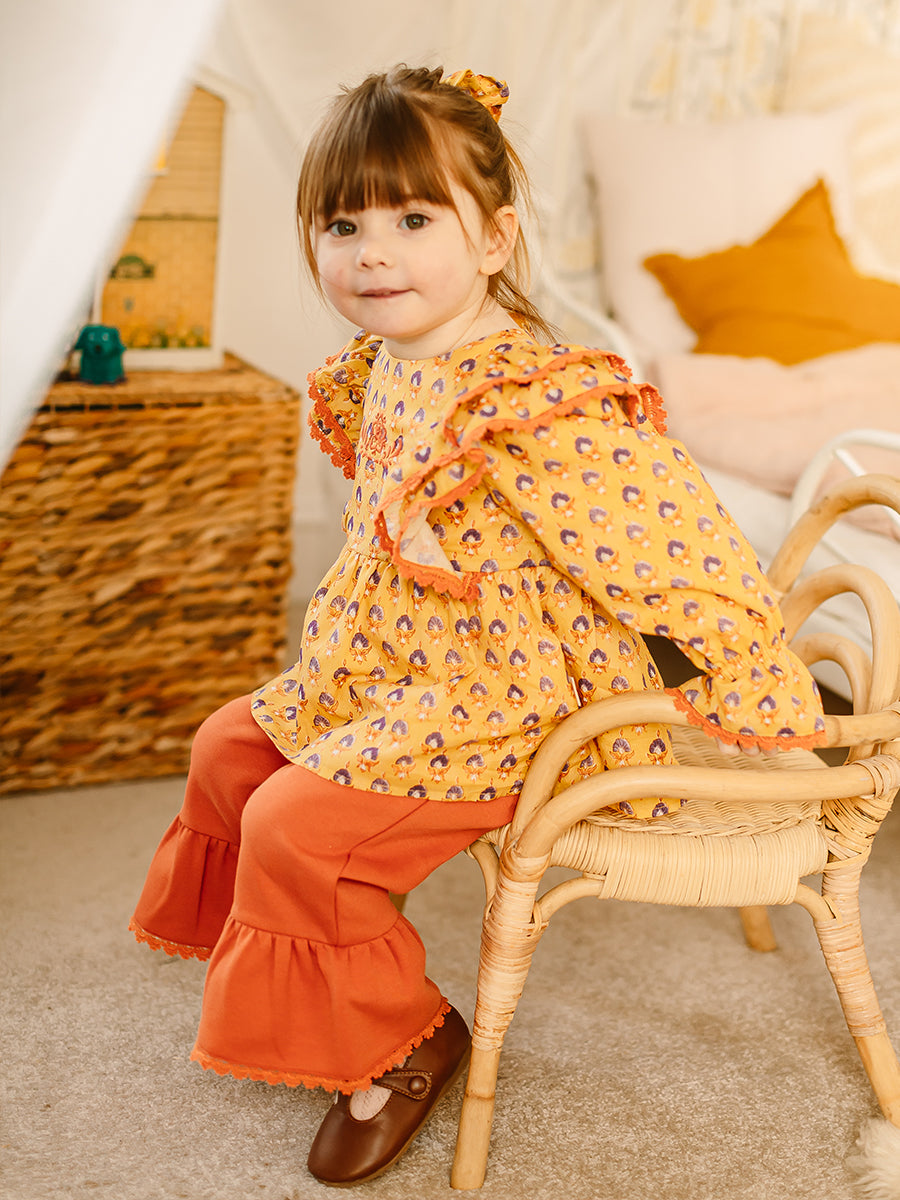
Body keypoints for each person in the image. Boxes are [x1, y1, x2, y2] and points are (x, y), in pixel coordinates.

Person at [129, 65, 826, 1186]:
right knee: (227, 749)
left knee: (297, 829)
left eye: (413, 220)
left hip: (499, 698)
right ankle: (289, 976)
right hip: (390, 663)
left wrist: (749, 673)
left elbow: (674, 540)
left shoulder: (538, 401)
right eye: (343, 224)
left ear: (496, 238)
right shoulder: (385, 361)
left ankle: (403, 1041)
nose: (372, 253)